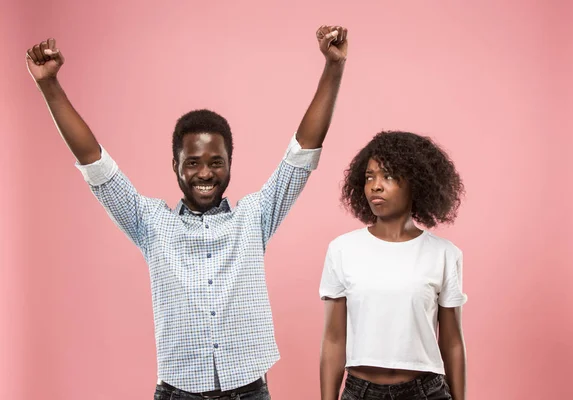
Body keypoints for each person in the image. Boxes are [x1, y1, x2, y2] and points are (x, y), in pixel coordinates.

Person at [26, 24, 348, 399]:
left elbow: (302, 152)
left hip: (249, 392)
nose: (205, 173)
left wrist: (333, 67)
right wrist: (49, 86)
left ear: (230, 164)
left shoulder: (254, 217)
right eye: (192, 163)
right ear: (175, 166)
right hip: (178, 392)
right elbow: (95, 163)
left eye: (216, 162)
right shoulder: (149, 221)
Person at [319, 131, 467, 400]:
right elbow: (333, 339)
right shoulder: (342, 250)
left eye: (387, 176)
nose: (375, 186)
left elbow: (452, 341)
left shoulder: (444, 254)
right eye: (369, 177)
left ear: (416, 183)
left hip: (426, 392)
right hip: (360, 392)